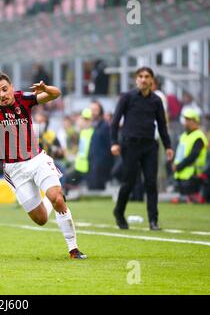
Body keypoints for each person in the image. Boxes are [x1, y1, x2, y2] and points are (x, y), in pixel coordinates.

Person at [0, 72, 87, 259]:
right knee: (41, 219)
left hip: (37, 160)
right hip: (15, 170)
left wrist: (45, 89)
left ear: (11, 87)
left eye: (5, 89)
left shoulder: (23, 98)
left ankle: (73, 248)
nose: (2, 94)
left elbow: (55, 94)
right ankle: (51, 197)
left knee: (57, 198)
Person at [111, 67, 174, 231]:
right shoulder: (127, 97)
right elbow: (115, 120)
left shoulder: (156, 101)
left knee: (151, 183)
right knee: (129, 182)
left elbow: (162, 125)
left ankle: (153, 221)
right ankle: (119, 212)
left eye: (147, 77)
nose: (144, 79)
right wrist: (114, 142)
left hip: (150, 146)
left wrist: (168, 146)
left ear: (152, 80)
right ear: (136, 79)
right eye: (140, 76)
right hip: (130, 145)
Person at [172, 109, 208, 204]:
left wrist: (179, 166)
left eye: (189, 120)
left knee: (190, 201)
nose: (186, 122)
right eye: (186, 120)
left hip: (192, 175)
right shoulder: (184, 135)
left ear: (195, 121)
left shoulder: (199, 136)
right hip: (181, 175)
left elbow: (193, 155)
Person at [64, 108, 94, 194]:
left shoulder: (93, 132)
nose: (85, 121)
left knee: (68, 177)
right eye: (83, 119)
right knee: (67, 177)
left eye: (87, 119)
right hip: (79, 163)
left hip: (87, 164)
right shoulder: (81, 131)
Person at [87, 101, 113, 190]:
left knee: (97, 190)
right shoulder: (93, 126)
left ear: (100, 111)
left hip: (100, 165)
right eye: (91, 110)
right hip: (92, 162)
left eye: (95, 110)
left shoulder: (105, 126)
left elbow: (109, 145)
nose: (93, 112)